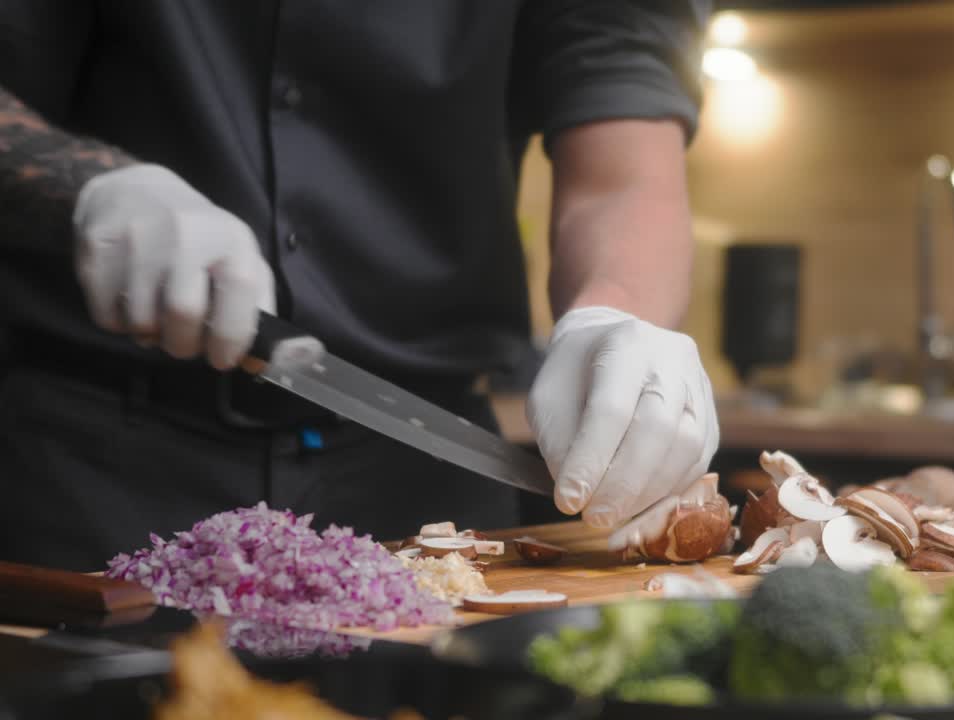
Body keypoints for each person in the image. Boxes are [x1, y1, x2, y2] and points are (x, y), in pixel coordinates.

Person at [0, 1, 720, 571]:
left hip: (428, 489)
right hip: (82, 468)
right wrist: (88, 186)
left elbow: (624, 173)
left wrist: (614, 320)